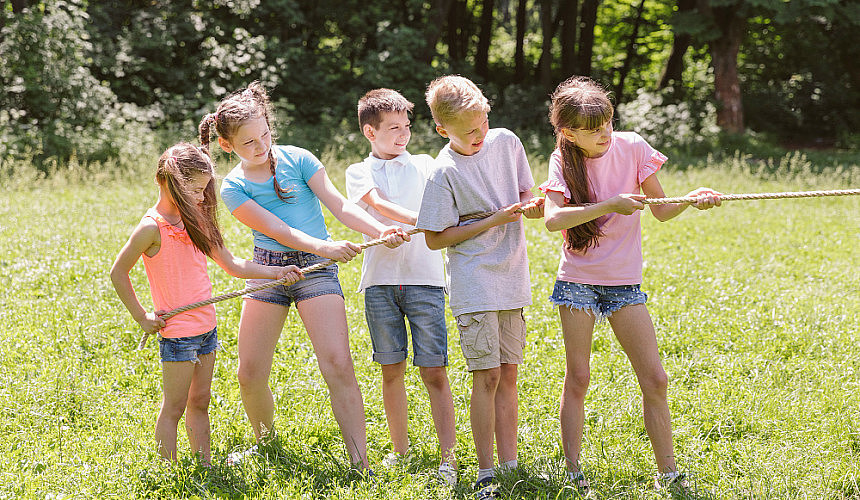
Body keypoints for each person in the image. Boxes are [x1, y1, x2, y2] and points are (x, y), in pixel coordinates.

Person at [199, 82, 408, 470]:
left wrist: (379, 232)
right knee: (249, 373)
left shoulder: (298, 159)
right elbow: (280, 231)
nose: (261, 146)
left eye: (264, 135)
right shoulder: (234, 187)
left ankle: (360, 463)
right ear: (228, 146)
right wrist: (325, 247)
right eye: (248, 143)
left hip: (315, 271)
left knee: (337, 364)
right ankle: (266, 443)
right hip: (269, 269)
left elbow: (340, 206)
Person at [540, 76, 721, 492]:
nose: (605, 133)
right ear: (568, 132)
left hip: (624, 283)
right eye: (593, 129)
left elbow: (660, 209)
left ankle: (668, 473)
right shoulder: (562, 161)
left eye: (607, 122)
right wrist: (609, 205)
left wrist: (693, 199)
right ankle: (572, 471)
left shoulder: (633, 146)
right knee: (579, 377)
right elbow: (552, 219)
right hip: (579, 281)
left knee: (655, 378)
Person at [110, 143, 303, 464]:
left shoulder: (197, 221)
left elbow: (233, 265)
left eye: (204, 189)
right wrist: (142, 316)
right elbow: (118, 273)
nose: (201, 197)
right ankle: (167, 471)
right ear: (167, 181)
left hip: (206, 329)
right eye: (194, 190)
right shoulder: (151, 227)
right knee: (174, 406)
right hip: (178, 334)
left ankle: (204, 466)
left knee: (200, 401)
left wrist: (277, 271)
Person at [415, 75, 544, 498]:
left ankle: (511, 464)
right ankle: (486, 470)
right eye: (469, 132)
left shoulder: (507, 142)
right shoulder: (443, 172)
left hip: (512, 275)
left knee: (509, 373)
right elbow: (435, 238)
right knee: (485, 376)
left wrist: (534, 205)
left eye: (483, 124)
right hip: (474, 282)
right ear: (442, 130)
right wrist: (493, 219)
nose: (480, 135)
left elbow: (527, 194)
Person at [344, 88, 457, 486]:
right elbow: (373, 203)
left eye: (406, 126)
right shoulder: (359, 171)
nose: (403, 134)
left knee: (434, 371)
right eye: (393, 128)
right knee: (390, 369)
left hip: (425, 281)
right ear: (369, 131)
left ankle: (448, 457)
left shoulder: (426, 164)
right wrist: (417, 220)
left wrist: (426, 221)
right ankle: (400, 451)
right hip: (380, 284)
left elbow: (448, 199)